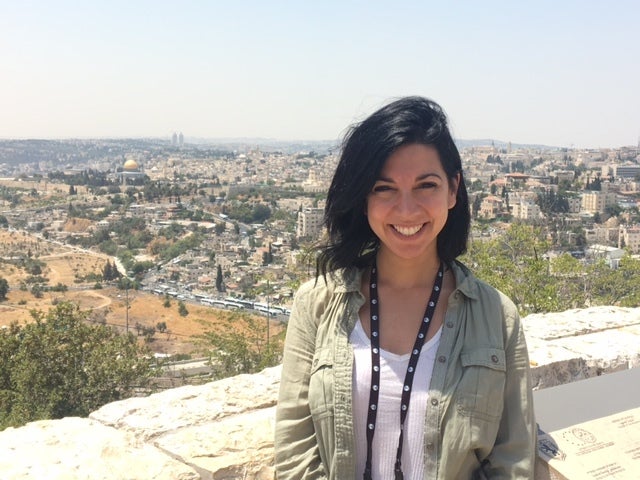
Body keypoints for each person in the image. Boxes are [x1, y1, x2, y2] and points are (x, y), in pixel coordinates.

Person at [275, 96, 536, 479]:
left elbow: (513, 461)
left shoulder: (497, 317)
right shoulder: (316, 304)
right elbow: (295, 452)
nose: (407, 210)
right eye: (385, 189)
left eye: (425, 185)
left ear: (452, 190)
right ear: (364, 199)